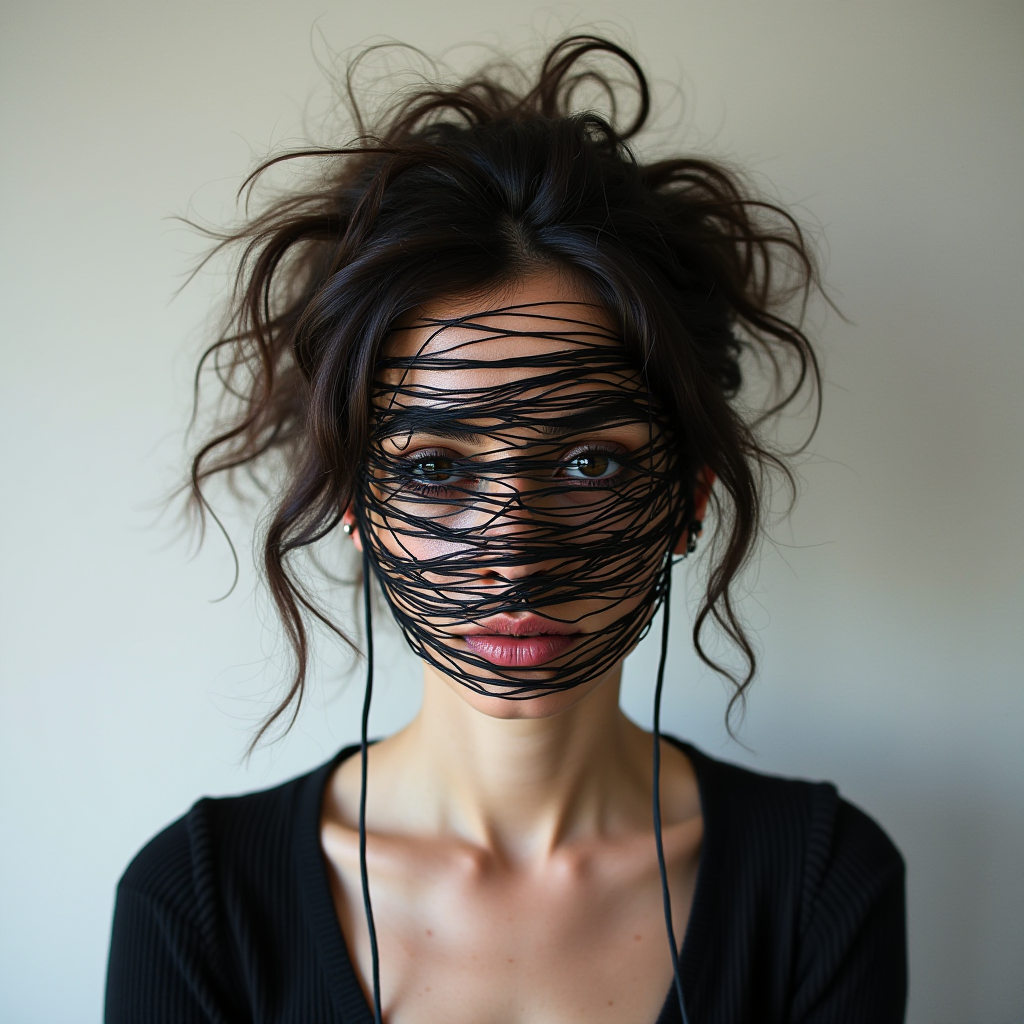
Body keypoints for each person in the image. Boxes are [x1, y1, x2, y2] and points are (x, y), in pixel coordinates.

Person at [104, 36, 907, 1024]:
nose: (515, 557)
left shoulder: (821, 886)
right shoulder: (197, 907)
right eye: (435, 468)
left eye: (587, 462)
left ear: (687, 498)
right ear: (358, 507)